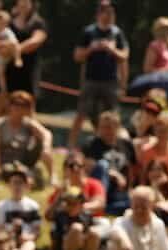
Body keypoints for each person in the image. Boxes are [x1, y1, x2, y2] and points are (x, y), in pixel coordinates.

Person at [68, 0, 128, 150]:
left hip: (111, 81)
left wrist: (111, 49)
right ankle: (71, 146)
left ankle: (115, 145)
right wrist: (91, 49)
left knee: (113, 116)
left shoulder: (117, 33)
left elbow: (124, 56)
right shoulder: (89, 32)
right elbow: (77, 56)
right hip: (91, 80)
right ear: (98, 14)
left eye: (111, 12)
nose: (108, 15)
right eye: (105, 12)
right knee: (82, 113)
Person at [0, 163, 40, 250]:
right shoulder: (2, 206)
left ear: (26, 186)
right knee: (10, 247)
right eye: (14, 183)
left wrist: (29, 237)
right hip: (8, 240)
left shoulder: (33, 206)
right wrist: (10, 232)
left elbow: (37, 231)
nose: (17, 186)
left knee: (29, 245)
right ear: (9, 185)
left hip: (26, 240)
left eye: (20, 183)